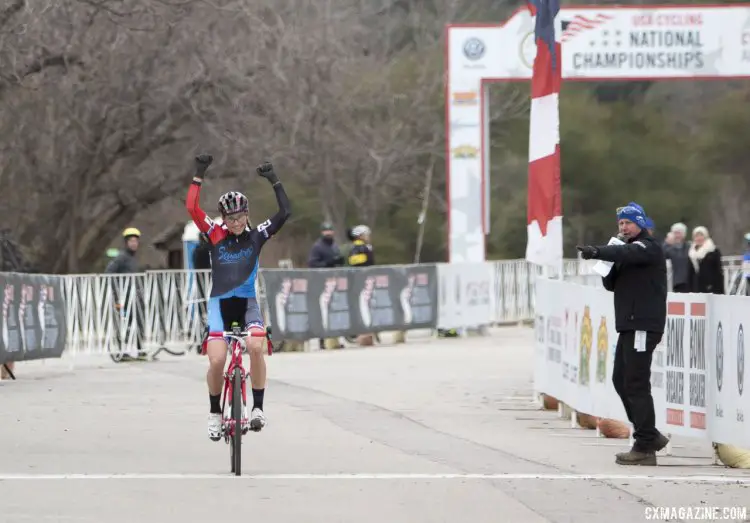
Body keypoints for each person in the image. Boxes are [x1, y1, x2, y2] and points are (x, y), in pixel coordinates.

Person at [186, 154, 291, 441]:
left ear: (247, 214)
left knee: (256, 346)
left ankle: (257, 408)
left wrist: (274, 181)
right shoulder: (216, 234)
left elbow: (285, 212)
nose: (235, 222)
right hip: (220, 303)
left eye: (240, 216)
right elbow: (192, 207)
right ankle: (214, 413)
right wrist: (199, 174)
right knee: (217, 361)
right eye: (230, 218)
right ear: (223, 218)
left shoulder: (257, 235)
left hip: (246, 303)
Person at [576, 202, 669, 466]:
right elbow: (610, 283)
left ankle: (644, 445)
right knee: (620, 379)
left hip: (643, 325)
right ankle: (650, 435)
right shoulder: (625, 251)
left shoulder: (648, 248)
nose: (623, 227)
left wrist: (597, 251)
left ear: (640, 223)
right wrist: (607, 259)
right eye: (620, 223)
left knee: (636, 383)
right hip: (628, 324)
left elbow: (629, 253)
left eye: (628, 222)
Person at [106, 227, 146, 360]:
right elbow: (109, 273)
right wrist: (117, 295)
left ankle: (141, 350)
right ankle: (122, 352)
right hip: (124, 297)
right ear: (126, 243)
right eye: (131, 241)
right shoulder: (121, 258)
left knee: (139, 323)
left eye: (136, 241)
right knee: (126, 326)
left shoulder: (133, 258)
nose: (134, 243)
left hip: (135, 297)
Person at [687, 226, 724, 294]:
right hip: (696, 287)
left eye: (701, 235)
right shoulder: (691, 253)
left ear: (705, 236)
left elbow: (718, 271)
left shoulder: (713, 251)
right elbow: (690, 273)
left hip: (712, 287)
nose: (699, 238)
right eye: (696, 236)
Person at [663, 222, 691, 293]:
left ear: (684, 234)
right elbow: (661, 255)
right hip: (676, 282)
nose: (677, 235)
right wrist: (666, 243)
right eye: (675, 233)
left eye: (679, 233)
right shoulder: (669, 249)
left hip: (689, 281)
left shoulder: (689, 246)